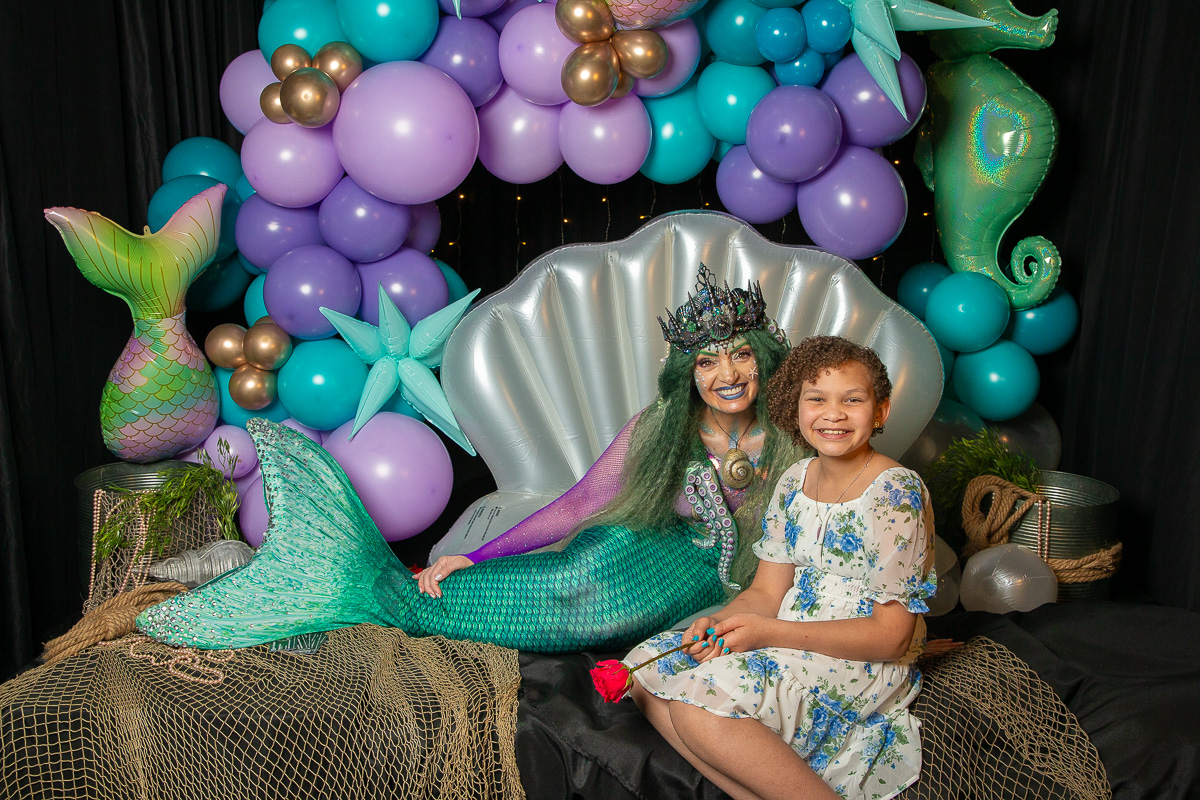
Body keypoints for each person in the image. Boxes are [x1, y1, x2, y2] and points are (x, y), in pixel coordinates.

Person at [136, 265, 807, 653]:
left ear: (764, 358)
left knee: (591, 602)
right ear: (688, 373)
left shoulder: (794, 435)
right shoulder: (659, 428)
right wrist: (477, 557)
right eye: (707, 360)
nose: (727, 373)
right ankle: (280, 574)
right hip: (629, 552)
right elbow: (578, 504)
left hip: (689, 586)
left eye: (740, 354)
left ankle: (297, 580)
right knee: (580, 565)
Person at [625, 335, 937, 800]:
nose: (833, 414)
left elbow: (891, 636)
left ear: (881, 411)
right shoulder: (794, 480)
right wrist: (721, 624)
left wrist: (767, 634)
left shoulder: (896, 491)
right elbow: (767, 593)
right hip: (788, 633)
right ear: (794, 408)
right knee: (643, 671)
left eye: (852, 400)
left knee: (697, 707)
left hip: (859, 656)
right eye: (817, 399)